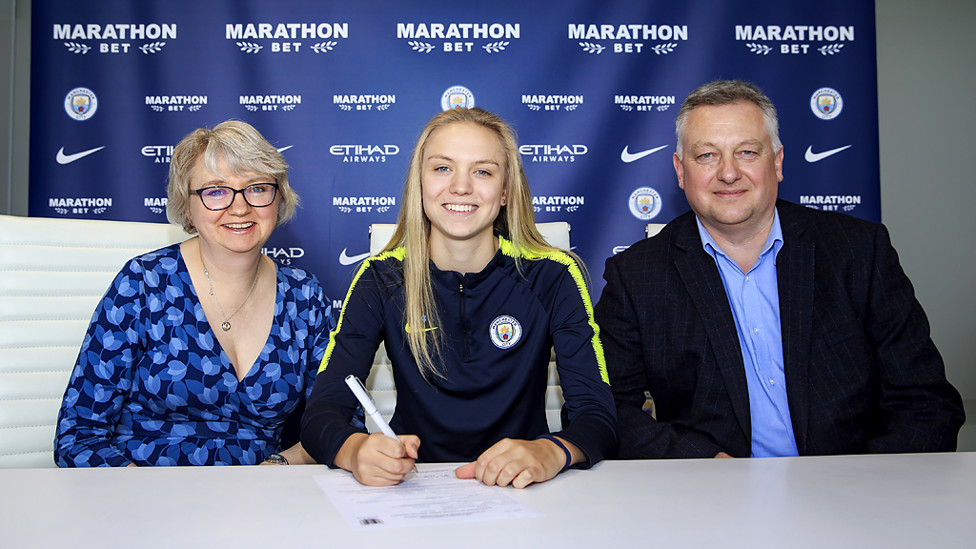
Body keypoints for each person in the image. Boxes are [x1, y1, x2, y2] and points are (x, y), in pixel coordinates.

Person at [595, 80, 964, 459]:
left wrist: (867, 485)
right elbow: (603, 409)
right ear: (679, 170)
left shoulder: (858, 251)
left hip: (856, 494)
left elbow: (925, 402)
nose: (728, 173)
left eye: (748, 152)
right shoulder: (637, 275)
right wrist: (700, 465)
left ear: (777, 162)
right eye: (707, 155)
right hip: (713, 502)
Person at [301, 107, 616, 488]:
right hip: (412, 488)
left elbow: (598, 415)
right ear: (419, 183)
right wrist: (354, 449)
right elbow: (322, 411)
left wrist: (552, 451)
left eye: (482, 171)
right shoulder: (380, 278)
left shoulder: (554, 275)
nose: (461, 187)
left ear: (505, 192)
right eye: (442, 168)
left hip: (524, 488)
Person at [54, 120, 334, 466]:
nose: (240, 207)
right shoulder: (143, 283)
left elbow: (339, 423)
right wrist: (149, 503)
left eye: (257, 188)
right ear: (187, 207)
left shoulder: (304, 297)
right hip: (143, 498)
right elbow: (78, 434)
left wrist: (278, 468)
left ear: (279, 197)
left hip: (259, 504)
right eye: (216, 191)